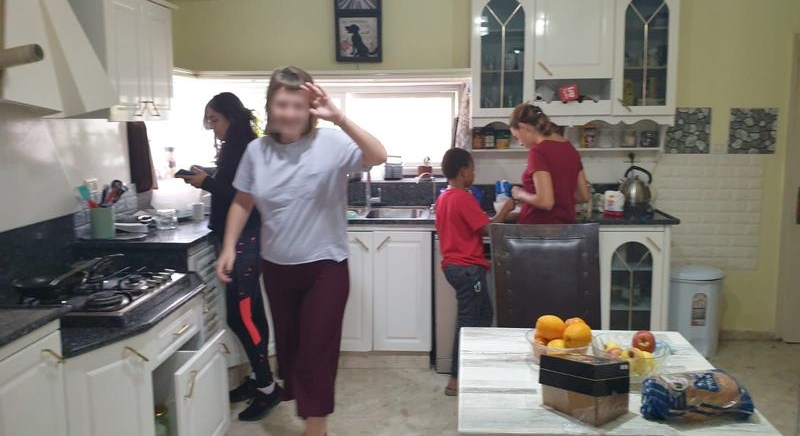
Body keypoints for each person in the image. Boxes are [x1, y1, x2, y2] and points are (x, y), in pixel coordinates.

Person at [215, 66, 387, 436]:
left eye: (298, 104)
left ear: (310, 107)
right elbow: (242, 201)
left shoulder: (332, 143)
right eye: (282, 104)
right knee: (290, 352)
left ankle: (316, 426)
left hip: (326, 265)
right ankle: (309, 409)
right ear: (271, 106)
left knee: (316, 350)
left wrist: (340, 117)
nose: (289, 112)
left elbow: (378, 155)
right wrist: (229, 245)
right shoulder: (256, 152)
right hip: (277, 268)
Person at [177, 92, 281, 421]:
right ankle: (259, 379)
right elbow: (233, 184)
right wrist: (208, 176)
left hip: (246, 241)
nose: (211, 127)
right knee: (246, 315)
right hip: (237, 240)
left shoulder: (249, 147)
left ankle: (267, 389)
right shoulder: (237, 146)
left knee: (244, 316)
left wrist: (206, 182)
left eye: (214, 119)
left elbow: (244, 195)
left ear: (230, 118)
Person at [435, 147, 515, 396]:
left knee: (482, 314)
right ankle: (456, 380)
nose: (474, 172)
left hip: (454, 267)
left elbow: (472, 224)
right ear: (462, 172)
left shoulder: (445, 198)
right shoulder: (463, 197)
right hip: (468, 269)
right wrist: (505, 210)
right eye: (472, 168)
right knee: (470, 321)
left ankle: (472, 369)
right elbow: (487, 229)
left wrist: (501, 216)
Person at [508, 104, 591, 224]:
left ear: (523, 127)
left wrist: (520, 193)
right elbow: (584, 196)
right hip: (565, 231)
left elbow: (545, 202)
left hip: (539, 232)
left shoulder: (538, 152)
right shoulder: (569, 148)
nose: (520, 142)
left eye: (517, 136)